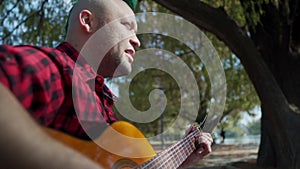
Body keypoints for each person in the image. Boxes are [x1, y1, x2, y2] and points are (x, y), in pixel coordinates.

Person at [0, 0, 213, 168]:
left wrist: (181, 158)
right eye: (127, 26)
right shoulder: (57, 68)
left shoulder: (102, 98)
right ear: (88, 21)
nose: (137, 41)